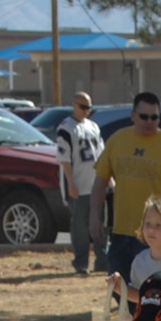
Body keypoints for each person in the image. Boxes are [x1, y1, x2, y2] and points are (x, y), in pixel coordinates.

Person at [91, 92, 161, 281]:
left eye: (154, 117)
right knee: (118, 285)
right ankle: (132, 311)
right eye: (144, 117)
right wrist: (94, 216)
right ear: (133, 115)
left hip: (157, 234)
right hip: (122, 231)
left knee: (153, 288)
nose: (149, 121)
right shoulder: (118, 140)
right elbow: (100, 182)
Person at [53, 91, 105, 275]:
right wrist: (71, 183)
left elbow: (101, 154)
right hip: (78, 185)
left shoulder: (93, 127)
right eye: (83, 107)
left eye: (89, 107)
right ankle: (81, 262)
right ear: (74, 105)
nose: (86, 111)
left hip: (96, 184)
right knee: (80, 227)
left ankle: (102, 260)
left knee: (99, 223)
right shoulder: (66, 128)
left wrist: (109, 179)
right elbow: (64, 159)